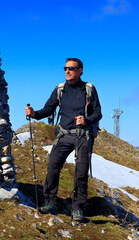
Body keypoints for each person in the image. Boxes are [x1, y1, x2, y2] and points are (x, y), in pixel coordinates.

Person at [25, 58, 102, 221]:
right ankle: (50, 202)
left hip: (84, 135)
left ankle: (78, 208)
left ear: (80, 70)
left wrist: (86, 121)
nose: (67, 71)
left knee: (81, 172)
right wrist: (34, 114)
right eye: (65, 68)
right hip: (64, 134)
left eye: (71, 68)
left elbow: (98, 113)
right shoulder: (60, 89)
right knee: (53, 166)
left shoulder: (89, 89)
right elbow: (48, 109)